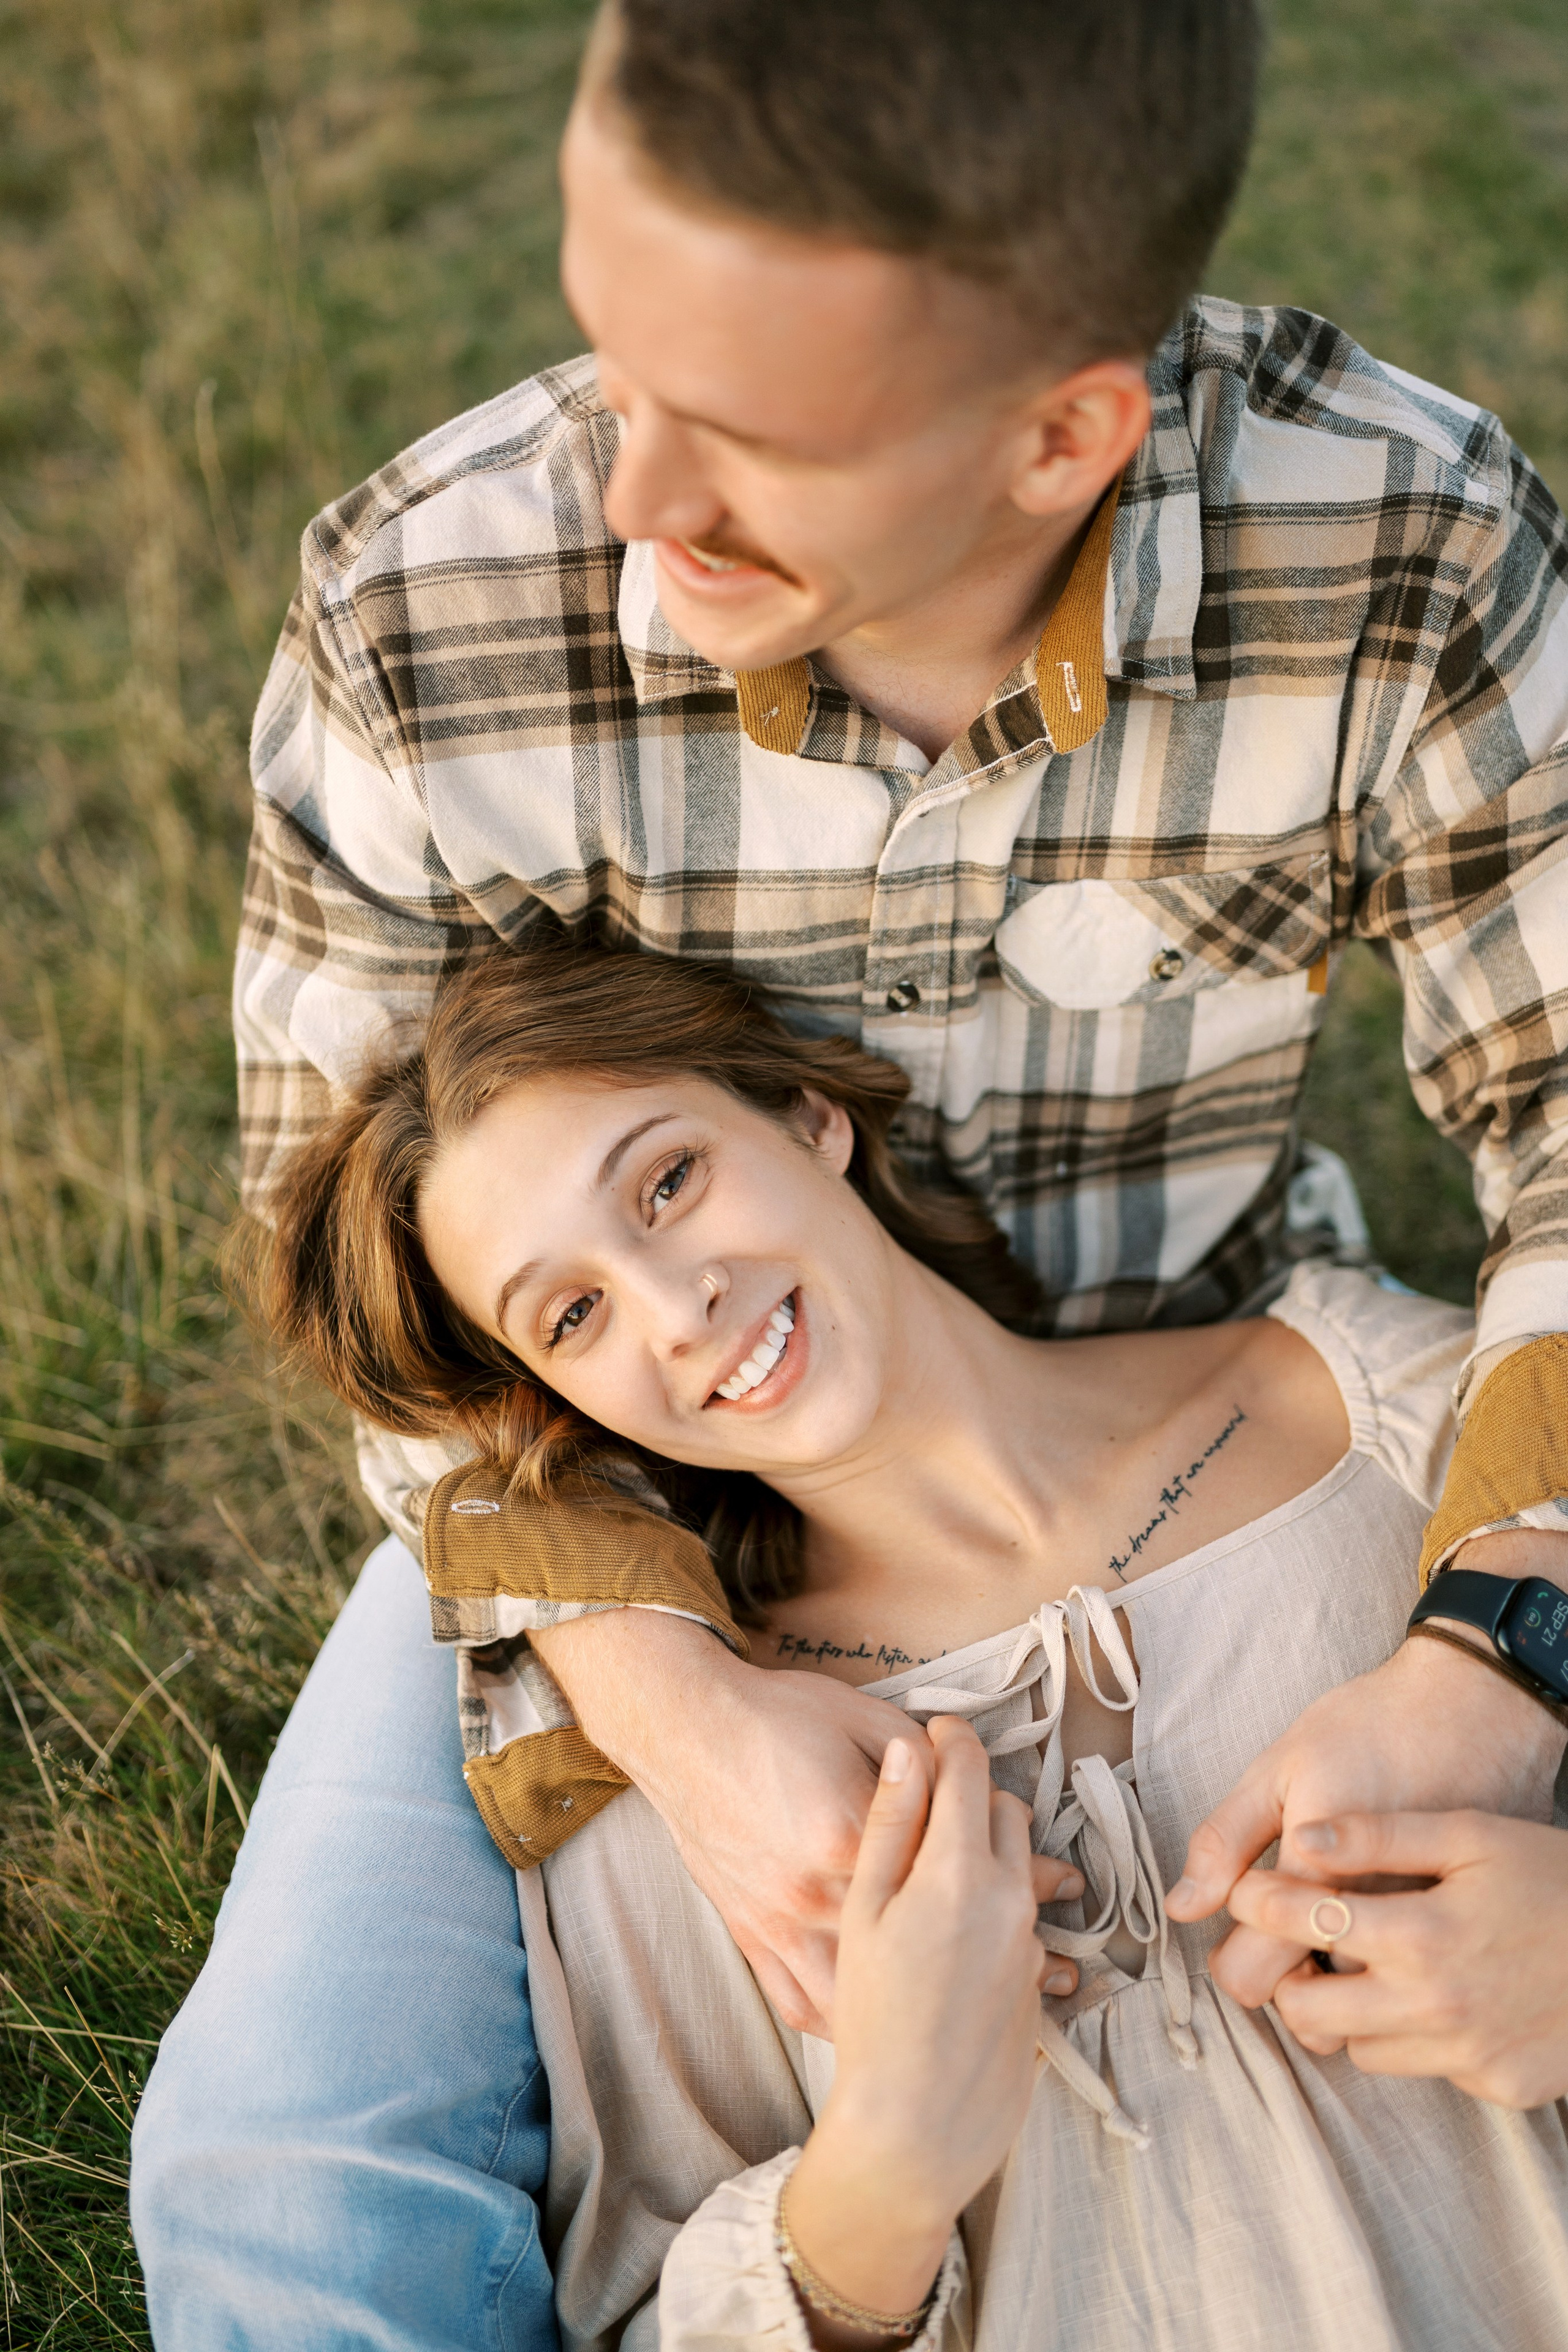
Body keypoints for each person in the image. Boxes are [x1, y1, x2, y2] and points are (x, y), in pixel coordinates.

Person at [130, 1, 1568, 2343]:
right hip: (579, 1466)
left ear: (1061, 435)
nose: (625, 493)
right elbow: (391, 1292)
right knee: (283, 2170)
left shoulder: (1403, 550)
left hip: (1174, 1354)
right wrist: (669, 1702)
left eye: (755, 436)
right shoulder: (420, 607)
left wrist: (1513, 1641)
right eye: (616, 352)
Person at [259, 942, 1568, 2350]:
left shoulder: (1415, 1423)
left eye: (668, 1181)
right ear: (557, 1398)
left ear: (810, 1120)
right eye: (571, 1314)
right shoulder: (677, 1802)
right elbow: (642, 2310)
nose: (672, 1301)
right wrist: (876, 2179)